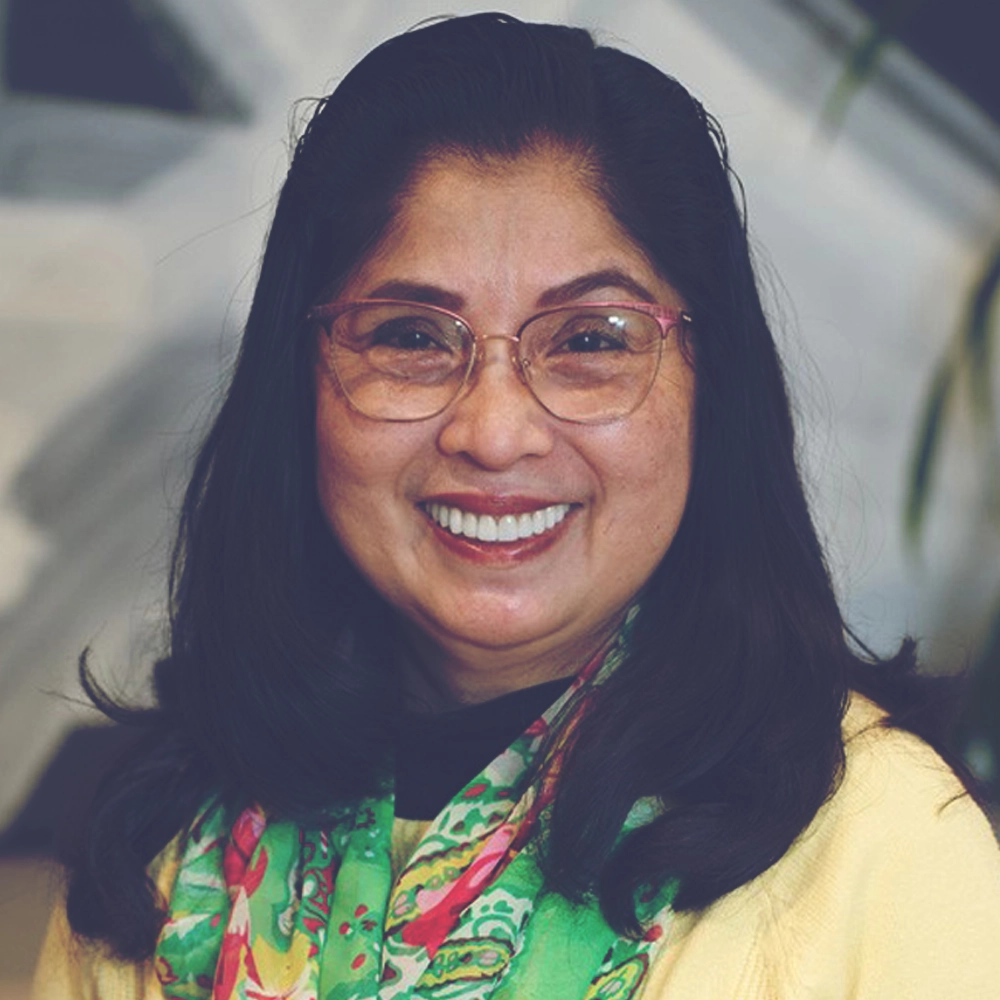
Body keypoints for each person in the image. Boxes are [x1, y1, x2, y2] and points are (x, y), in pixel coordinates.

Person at [33, 12, 1000, 999]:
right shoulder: (152, 851)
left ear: (713, 388)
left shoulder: (885, 849)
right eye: (411, 335)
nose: (494, 432)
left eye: (590, 339)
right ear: (299, 381)